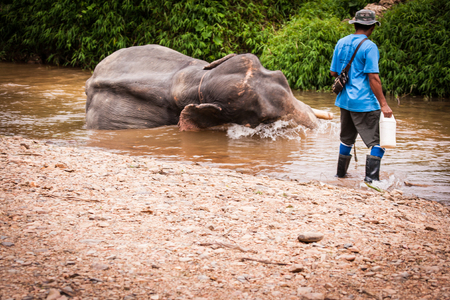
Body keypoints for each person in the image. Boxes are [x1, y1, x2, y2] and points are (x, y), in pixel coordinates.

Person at [330, 9, 392, 183]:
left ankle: (340, 176)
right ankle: (371, 182)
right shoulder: (370, 46)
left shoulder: (341, 42)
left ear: (355, 24)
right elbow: (373, 78)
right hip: (364, 102)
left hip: (344, 100)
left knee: (346, 140)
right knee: (379, 143)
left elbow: (334, 72)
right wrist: (384, 104)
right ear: (371, 27)